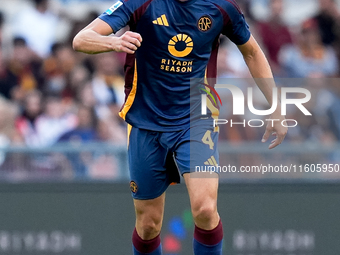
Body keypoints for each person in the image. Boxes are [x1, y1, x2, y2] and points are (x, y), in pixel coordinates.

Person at [73, 0, 287, 254]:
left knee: (205, 210)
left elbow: (251, 52)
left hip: (197, 116)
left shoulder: (222, 7)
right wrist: (113, 42)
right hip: (146, 119)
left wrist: (276, 106)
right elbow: (81, 39)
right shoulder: (141, 3)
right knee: (148, 224)